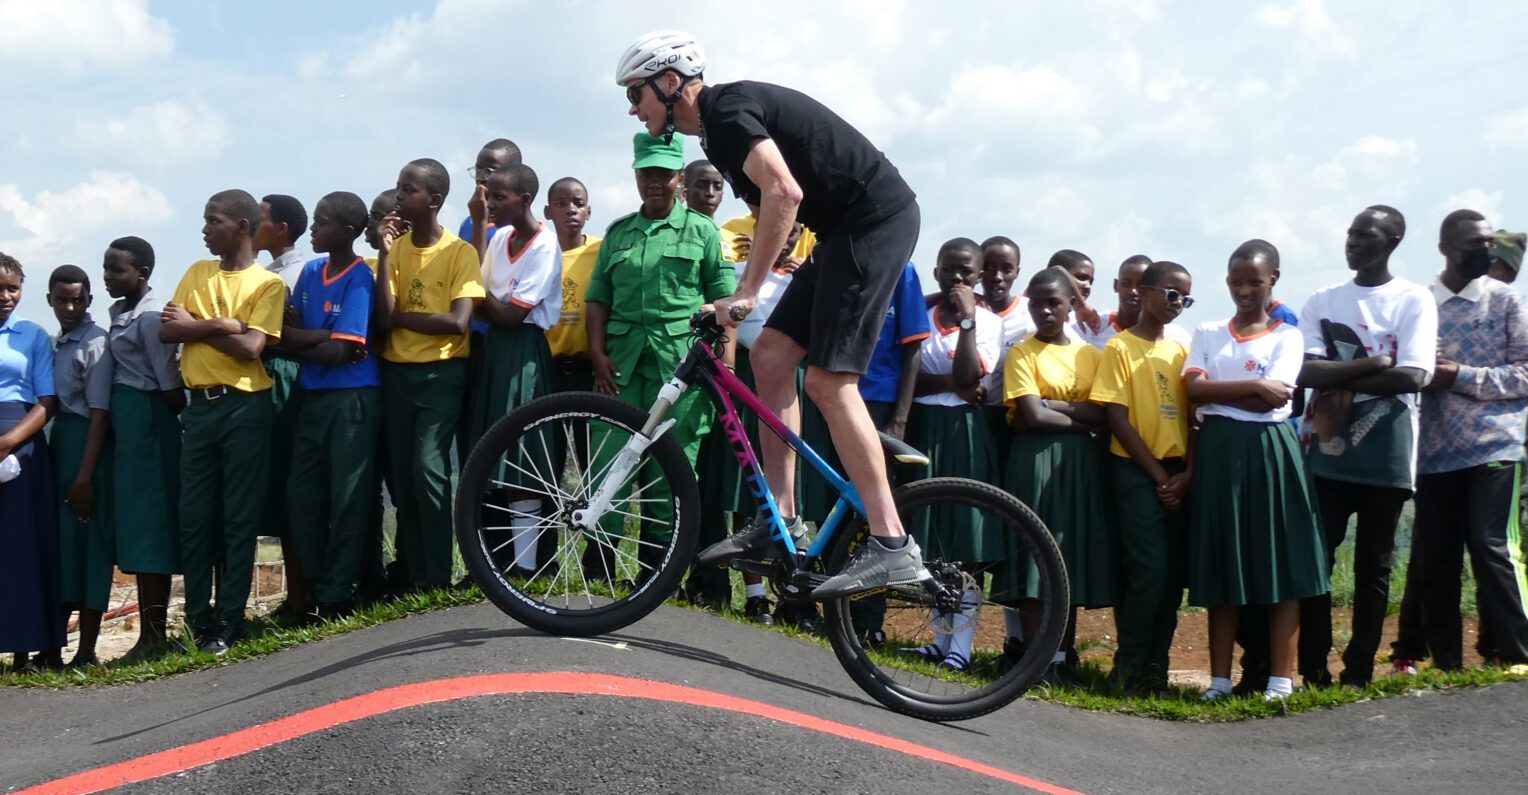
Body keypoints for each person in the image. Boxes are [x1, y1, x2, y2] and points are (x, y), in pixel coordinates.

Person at [615, 31, 930, 595]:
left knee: (832, 385)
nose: (633, 109)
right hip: (842, 230)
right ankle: (781, 519)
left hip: (873, 220)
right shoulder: (716, 134)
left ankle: (892, 544)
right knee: (770, 356)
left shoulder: (729, 111)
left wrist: (745, 294)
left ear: (670, 83)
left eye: (636, 93)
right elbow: (770, 209)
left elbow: (784, 194)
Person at [1296, 205, 1437, 687]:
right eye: (1351, 232)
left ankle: (1358, 671)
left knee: (1373, 568)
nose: (1352, 242)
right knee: (1318, 559)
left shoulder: (1413, 300)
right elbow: (1305, 371)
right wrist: (1376, 363)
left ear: (1392, 241)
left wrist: (1342, 372)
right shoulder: (1323, 300)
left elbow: (1415, 376)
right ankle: (1313, 668)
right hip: (1327, 452)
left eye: (1366, 235)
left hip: (1389, 456)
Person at [1183, 241, 1329, 701]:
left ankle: (1280, 681)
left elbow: (1279, 397)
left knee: (1279, 563)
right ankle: (1220, 680)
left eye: (1254, 281)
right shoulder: (1207, 331)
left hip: (1271, 451)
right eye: (1235, 281)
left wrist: (1219, 391)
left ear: (1273, 280)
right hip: (1220, 453)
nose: (1243, 290)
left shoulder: (1288, 335)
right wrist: (1252, 385)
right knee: (1224, 564)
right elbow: (1192, 391)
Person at [584, 131, 733, 581]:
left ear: (679, 180)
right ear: (636, 175)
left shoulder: (704, 232)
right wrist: (596, 353)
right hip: (621, 367)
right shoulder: (619, 233)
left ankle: (657, 572)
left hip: (681, 369)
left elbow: (724, 303)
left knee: (672, 470)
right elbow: (597, 299)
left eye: (663, 175)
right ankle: (600, 570)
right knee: (611, 462)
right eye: (646, 173)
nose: (654, 182)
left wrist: (724, 369)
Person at [160, 189, 286, 655]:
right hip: (200, 407)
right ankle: (196, 619)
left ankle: (229, 621)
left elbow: (254, 348)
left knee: (238, 517)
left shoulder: (266, 285)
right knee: (194, 518)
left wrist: (200, 324)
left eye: (213, 221)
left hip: (244, 407)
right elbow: (167, 328)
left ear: (242, 227)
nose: (204, 229)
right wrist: (225, 325)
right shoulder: (197, 272)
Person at [1404, 211, 1528, 671]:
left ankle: (1517, 652)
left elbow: (1525, 373)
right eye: (1474, 243)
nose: (1486, 251)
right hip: (1433, 453)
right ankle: (1446, 664)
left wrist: (1459, 376)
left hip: (1495, 445)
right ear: (1445, 249)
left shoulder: (1506, 301)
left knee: (1492, 546)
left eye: (1489, 242)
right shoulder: (1420, 304)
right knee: (1437, 559)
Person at [374, 158, 486, 591]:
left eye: (408, 190)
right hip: (398, 373)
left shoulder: (459, 253)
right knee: (403, 477)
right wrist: (384, 259)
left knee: (429, 469)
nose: (399, 197)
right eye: (399, 188)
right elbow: (384, 320)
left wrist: (403, 316)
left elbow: (457, 322)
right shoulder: (396, 252)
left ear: (434, 201)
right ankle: (415, 574)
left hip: (441, 374)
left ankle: (439, 574)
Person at [998, 267, 1110, 686]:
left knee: (1069, 556)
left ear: (1069, 306)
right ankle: (1035, 658)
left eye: (1054, 303)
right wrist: (1079, 415)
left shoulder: (1090, 355)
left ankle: (1063, 656)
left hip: (1079, 464)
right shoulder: (1021, 353)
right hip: (1034, 461)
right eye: (1037, 303)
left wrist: (1053, 406)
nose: (1045, 310)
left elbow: (1102, 413)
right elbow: (1030, 415)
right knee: (1033, 559)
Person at [1089, 260, 1194, 693]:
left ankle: (1157, 668)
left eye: (1185, 299)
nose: (1177, 304)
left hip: (1178, 474)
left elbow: (1194, 415)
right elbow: (1117, 417)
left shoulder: (1182, 350)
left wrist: (1186, 475)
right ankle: (1128, 667)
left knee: (1172, 577)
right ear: (1145, 292)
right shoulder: (1119, 348)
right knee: (1147, 569)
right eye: (1171, 294)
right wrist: (1158, 477)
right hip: (1137, 470)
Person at [900, 238, 1003, 670]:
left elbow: (969, 373)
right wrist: (953, 386)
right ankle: (939, 639)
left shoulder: (988, 322)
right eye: (947, 269)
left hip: (964, 431)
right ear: (936, 269)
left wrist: (966, 320)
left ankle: (960, 646)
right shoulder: (919, 313)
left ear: (979, 277)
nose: (955, 278)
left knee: (963, 540)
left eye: (965, 272)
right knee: (928, 537)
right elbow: (910, 380)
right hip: (923, 426)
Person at [282, 192, 381, 620]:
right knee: (302, 496)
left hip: (352, 398)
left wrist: (303, 342)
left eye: (322, 223)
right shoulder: (310, 271)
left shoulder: (361, 279)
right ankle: (319, 584)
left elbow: (343, 355)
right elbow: (284, 335)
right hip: (313, 396)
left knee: (347, 496)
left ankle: (338, 591)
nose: (315, 229)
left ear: (346, 232)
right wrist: (323, 338)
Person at [464, 164, 563, 577]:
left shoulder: (544, 246)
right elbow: (482, 286)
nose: (491, 205)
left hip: (522, 350)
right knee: (491, 454)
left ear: (524, 200)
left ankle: (526, 565)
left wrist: (473, 293)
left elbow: (505, 312)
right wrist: (479, 222)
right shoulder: (501, 236)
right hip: (495, 352)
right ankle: (492, 561)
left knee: (526, 458)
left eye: (498, 198)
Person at [101, 236, 185, 661]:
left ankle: (153, 634)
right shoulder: (120, 315)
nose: (108, 277)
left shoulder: (151, 318)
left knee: (153, 527)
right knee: (137, 525)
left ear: (143, 274)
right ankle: (151, 634)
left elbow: (169, 382)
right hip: (130, 429)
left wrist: (157, 419)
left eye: (116, 270)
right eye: (106, 269)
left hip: (151, 422)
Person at [46, 265, 115, 668]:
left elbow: (100, 414)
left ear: (90, 300)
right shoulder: (60, 342)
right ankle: (53, 646)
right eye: (61, 300)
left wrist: (85, 476)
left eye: (77, 299)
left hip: (87, 448)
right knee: (63, 548)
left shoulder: (95, 344)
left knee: (89, 548)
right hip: (63, 445)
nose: (69, 307)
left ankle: (87, 649)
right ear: (50, 300)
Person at [0, 252, 63, 673]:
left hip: (19, 443)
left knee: (22, 547)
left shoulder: (33, 335)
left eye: (13, 287)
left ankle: (26, 649)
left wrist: (7, 441)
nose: (7, 297)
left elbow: (47, 400)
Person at [254, 193, 312, 617]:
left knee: (292, 482)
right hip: (269, 376)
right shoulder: (265, 272)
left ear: (281, 229)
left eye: (259, 219)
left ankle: (302, 592)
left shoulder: (299, 273)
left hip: (286, 375)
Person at [359, 188, 399, 602]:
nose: (370, 225)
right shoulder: (364, 268)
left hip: (396, 381)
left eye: (378, 216)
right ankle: (370, 574)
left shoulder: (392, 265)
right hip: (371, 388)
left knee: (402, 484)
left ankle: (406, 569)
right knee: (367, 487)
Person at [976, 235, 1034, 475]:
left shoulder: (1031, 313)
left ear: (1017, 273)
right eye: (988, 268)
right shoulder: (964, 310)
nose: (997, 276)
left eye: (1006, 269)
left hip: (1015, 417)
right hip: (973, 415)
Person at [543, 178, 601, 394]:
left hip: (590, 367)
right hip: (548, 367)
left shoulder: (602, 251)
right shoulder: (540, 252)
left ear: (589, 211)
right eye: (561, 203)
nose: (571, 210)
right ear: (548, 212)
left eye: (578, 203)